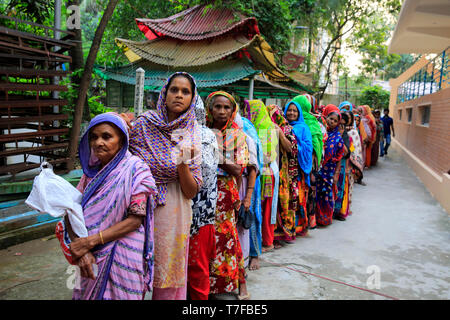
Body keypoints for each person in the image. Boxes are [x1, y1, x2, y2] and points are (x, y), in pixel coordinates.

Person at [60, 112, 157, 300]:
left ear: (121, 141)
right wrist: (83, 250)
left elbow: (135, 220)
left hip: (124, 250)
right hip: (89, 253)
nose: (98, 143)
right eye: (94, 137)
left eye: (106, 136)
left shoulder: (136, 170)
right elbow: (71, 211)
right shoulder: (89, 174)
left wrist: (91, 241)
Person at [129, 72, 203, 300]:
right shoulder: (143, 125)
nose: (179, 95)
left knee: (169, 270)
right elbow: (127, 167)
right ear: (165, 92)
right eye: (174, 90)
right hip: (139, 204)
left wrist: (182, 163)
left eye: (185, 92)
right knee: (133, 264)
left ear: (192, 98)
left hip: (174, 207)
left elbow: (191, 191)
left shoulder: (193, 132)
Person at [206, 91, 250, 300]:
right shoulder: (202, 130)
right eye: (218, 107)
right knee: (205, 238)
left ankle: (240, 283)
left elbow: (238, 169)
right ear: (210, 109)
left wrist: (213, 152)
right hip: (202, 193)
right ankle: (205, 283)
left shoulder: (238, 135)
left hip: (224, 194)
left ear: (233, 111)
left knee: (228, 239)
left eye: (227, 107)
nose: (222, 111)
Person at [187, 97, 219, 300]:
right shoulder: (162, 131)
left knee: (197, 265)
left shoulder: (206, 134)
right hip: (171, 208)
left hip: (200, 210)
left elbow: (206, 173)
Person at [244, 100, 279, 254]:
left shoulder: (265, 127)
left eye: (249, 111)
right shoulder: (257, 125)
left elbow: (267, 156)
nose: (247, 114)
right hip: (263, 170)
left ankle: (268, 241)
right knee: (264, 207)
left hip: (266, 172)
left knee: (266, 207)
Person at [266, 103, 301, 246]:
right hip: (270, 172)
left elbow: (291, 148)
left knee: (284, 202)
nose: (273, 118)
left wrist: (279, 133)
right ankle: (272, 235)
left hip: (284, 173)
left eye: (275, 116)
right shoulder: (265, 129)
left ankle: (284, 234)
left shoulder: (287, 129)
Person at [234, 112, 264, 272]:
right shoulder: (216, 136)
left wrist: (248, 197)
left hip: (245, 185)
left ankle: (251, 257)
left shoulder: (246, 139)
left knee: (246, 222)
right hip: (227, 187)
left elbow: (252, 169)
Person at [283, 100, 313, 236]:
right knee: (285, 198)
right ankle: (285, 227)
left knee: (296, 197)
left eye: (295, 110)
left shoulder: (304, 128)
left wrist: (294, 146)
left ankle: (297, 227)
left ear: (299, 113)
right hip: (284, 168)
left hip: (297, 170)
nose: (291, 113)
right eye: (289, 110)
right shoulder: (281, 125)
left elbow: (308, 148)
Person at [295, 95, 324, 229]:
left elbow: (313, 145)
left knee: (305, 191)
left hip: (307, 163)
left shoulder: (308, 122)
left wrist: (308, 164)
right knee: (307, 191)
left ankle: (305, 221)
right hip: (312, 163)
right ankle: (308, 220)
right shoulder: (314, 122)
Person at [315, 105, 345, 227]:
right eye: (330, 118)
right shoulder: (320, 131)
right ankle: (316, 218)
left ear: (338, 123)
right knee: (317, 194)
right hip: (318, 170)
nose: (331, 121)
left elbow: (340, 157)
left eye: (335, 120)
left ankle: (325, 218)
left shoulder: (338, 137)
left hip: (329, 172)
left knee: (326, 194)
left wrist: (337, 174)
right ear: (325, 117)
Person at [333, 111, 353, 221]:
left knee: (339, 186)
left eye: (342, 124)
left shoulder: (344, 134)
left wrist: (339, 135)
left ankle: (337, 211)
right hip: (328, 165)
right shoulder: (327, 131)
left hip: (340, 166)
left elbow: (346, 152)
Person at [346, 111, 364, 212]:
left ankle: (347, 208)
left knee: (349, 184)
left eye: (349, 117)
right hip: (340, 162)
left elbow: (356, 149)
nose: (346, 119)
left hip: (350, 163)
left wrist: (353, 162)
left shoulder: (354, 132)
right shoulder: (338, 129)